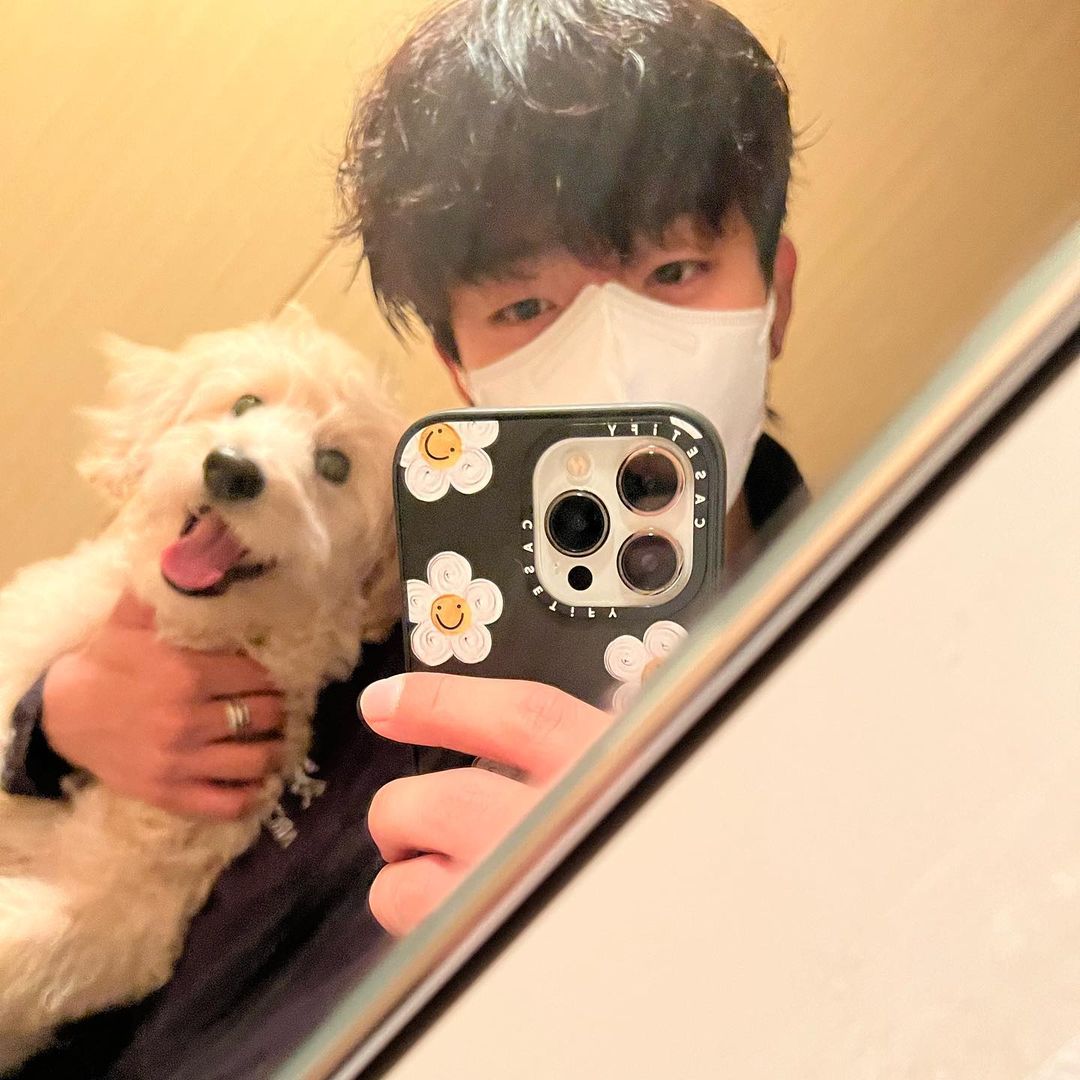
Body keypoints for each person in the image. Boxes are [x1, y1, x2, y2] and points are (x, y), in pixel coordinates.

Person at [2, 1, 804, 1074]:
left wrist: (652, 939)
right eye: (525, 308)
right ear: (460, 368)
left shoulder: (855, 666)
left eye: (673, 274)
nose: (614, 356)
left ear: (773, 296)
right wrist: (57, 721)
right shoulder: (370, 573)